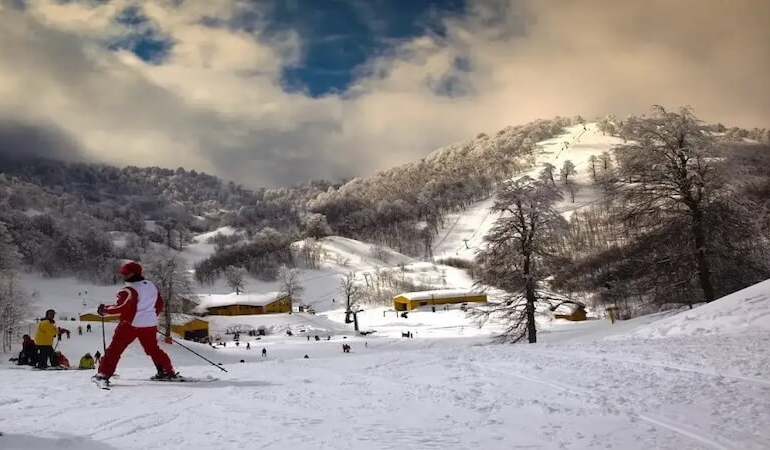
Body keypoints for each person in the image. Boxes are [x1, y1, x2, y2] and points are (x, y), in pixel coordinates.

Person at [92, 261, 177, 385]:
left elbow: (121, 307)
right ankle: (166, 371)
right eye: (123, 273)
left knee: (115, 349)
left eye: (126, 274)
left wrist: (103, 310)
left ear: (134, 274)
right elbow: (159, 304)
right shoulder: (150, 285)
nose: (124, 276)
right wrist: (149, 317)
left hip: (130, 325)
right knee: (153, 349)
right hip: (149, 325)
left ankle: (103, 374)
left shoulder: (129, 290)